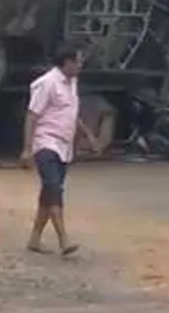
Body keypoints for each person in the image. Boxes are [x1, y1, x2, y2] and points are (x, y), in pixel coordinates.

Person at [21, 41, 103, 256]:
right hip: (46, 141)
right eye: (78, 61)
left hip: (64, 145)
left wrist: (89, 136)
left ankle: (34, 239)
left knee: (49, 192)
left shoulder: (71, 82)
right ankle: (63, 239)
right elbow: (32, 115)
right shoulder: (46, 83)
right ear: (67, 62)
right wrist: (27, 148)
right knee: (54, 187)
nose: (81, 66)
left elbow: (71, 115)